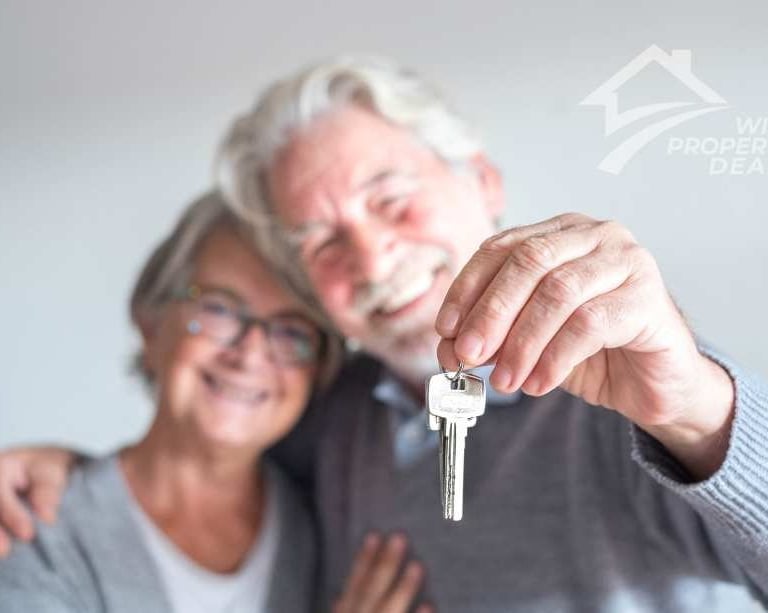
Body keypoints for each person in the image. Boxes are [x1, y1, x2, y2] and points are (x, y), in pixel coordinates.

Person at [2, 57, 768, 611]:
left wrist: (696, 408)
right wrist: (72, 471)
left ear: (482, 182)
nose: (372, 258)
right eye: (322, 242)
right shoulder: (329, 424)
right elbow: (193, 464)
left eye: (392, 199)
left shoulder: (641, 389)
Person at [0, 191, 431, 613]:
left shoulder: (321, 518)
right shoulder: (34, 525)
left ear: (318, 370)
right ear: (151, 323)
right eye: (220, 309)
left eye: (291, 331)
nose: (249, 354)